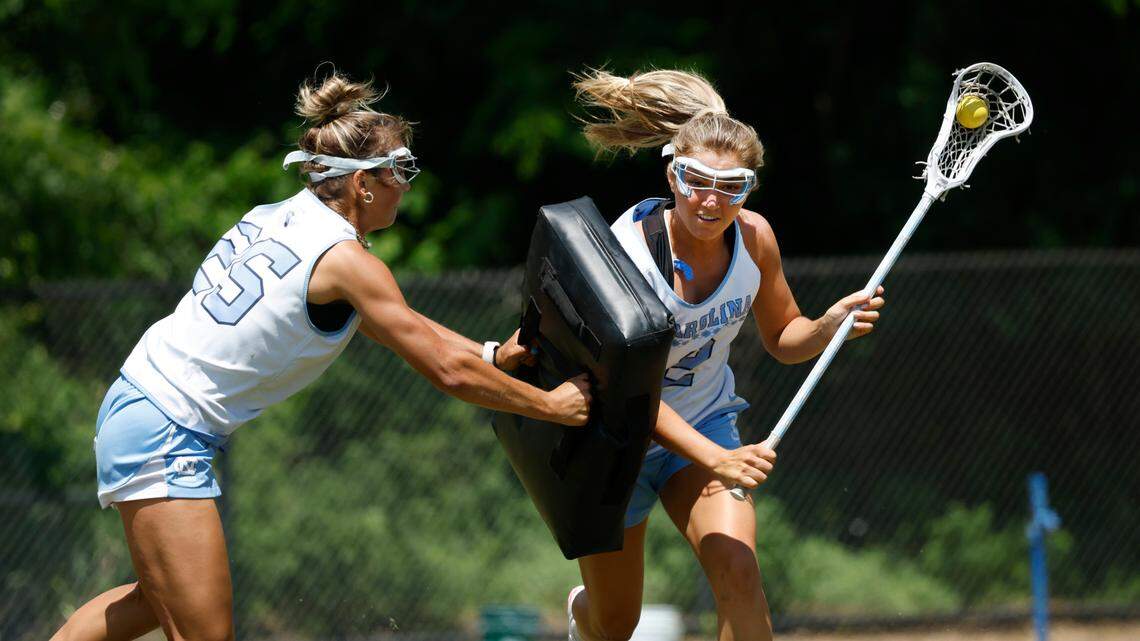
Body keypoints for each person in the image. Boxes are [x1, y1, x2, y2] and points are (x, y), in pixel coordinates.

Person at [50, 71, 591, 641]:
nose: (406, 187)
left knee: (151, 600)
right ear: (362, 186)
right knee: (204, 633)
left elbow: (398, 326)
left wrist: (488, 352)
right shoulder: (346, 262)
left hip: (139, 407)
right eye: (400, 173)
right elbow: (444, 369)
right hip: (166, 429)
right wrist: (550, 406)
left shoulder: (274, 215)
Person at [564, 69, 886, 641]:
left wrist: (828, 326)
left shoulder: (755, 239)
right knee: (614, 624)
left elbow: (785, 337)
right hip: (620, 439)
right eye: (694, 180)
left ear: (748, 190)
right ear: (672, 173)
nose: (710, 201)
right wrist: (717, 459)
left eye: (731, 187)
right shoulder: (628, 253)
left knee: (739, 572)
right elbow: (627, 392)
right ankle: (581, 612)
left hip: (705, 427)